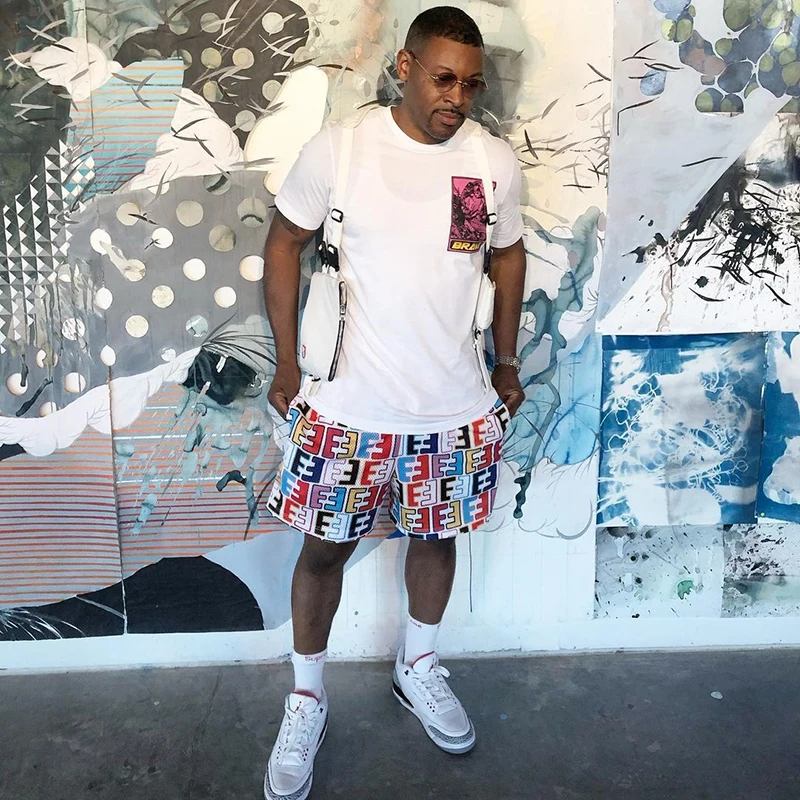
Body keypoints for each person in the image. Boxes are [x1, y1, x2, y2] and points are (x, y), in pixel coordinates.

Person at [261, 6, 526, 799]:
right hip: (348, 406)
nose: (457, 98)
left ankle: (419, 665)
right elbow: (284, 241)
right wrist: (286, 359)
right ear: (404, 67)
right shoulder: (342, 150)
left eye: (471, 85)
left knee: (436, 539)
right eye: (444, 79)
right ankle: (307, 697)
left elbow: (498, 254)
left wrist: (505, 360)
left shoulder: (486, 162)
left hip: (452, 405)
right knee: (323, 551)